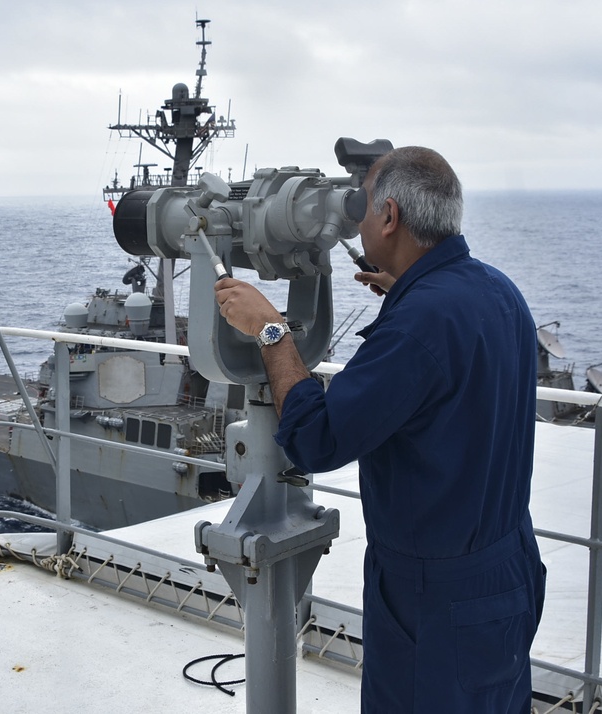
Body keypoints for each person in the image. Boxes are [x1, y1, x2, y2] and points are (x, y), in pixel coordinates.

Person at [214, 146, 546, 713]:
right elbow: (453, 374)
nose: (357, 222)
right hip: (506, 572)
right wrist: (406, 295)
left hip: (434, 599)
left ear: (389, 217)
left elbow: (316, 440)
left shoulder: (419, 326)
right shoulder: (498, 293)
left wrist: (271, 329)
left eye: (363, 209)